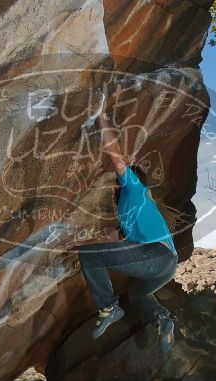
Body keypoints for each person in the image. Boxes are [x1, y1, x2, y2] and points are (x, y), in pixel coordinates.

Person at [74, 112, 178, 353]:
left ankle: (109, 308)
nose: (114, 181)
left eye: (116, 179)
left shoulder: (135, 190)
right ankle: (162, 319)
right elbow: (110, 241)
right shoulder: (125, 213)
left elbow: (117, 159)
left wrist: (101, 119)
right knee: (136, 294)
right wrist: (76, 244)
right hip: (164, 267)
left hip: (156, 256)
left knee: (90, 254)